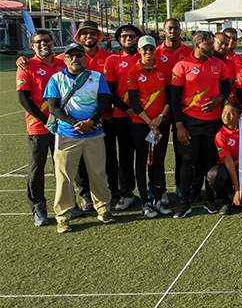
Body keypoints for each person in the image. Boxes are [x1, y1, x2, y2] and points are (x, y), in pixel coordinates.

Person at [44, 42, 114, 233]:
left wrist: (90, 121)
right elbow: (54, 108)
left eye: (78, 56)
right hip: (67, 135)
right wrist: (76, 122)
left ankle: (103, 208)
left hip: (94, 133)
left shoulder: (97, 77)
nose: (75, 59)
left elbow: (103, 103)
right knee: (64, 177)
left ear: (85, 58)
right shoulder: (56, 78)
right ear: (65, 59)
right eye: (71, 56)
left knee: (98, 173)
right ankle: (63, 216)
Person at [171, 30, 232, 218]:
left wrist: (219, 98)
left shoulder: (218, 64)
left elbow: (228, 86)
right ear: (198, 45)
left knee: (209, 162)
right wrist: (179, 125)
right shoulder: (182, 66)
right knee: (188, 162)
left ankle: (209, 199)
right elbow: (173, 97)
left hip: (213, 122)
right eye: (209, 43)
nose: (213, 47)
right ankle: (185, 202)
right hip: (189, 122)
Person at [17, 29, 65, 226]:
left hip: (62, 125)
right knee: (37, 168)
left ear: (53, 43)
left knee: (62, 167)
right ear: (32, 46)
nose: (43, 44)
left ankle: (65, 204)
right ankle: (38, 206)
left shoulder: (62, 63)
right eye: (39, 42)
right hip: (38, 126)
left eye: (47, 40)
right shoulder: (26, 66)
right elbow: (23, 98)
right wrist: (46, 120)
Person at [126, 35, 173, 218]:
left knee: (159, 160)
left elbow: (170, 97)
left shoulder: (165, 69)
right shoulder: (133, 71)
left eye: (151, 49)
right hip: (141, 124)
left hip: (161, 122)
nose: (148, 52)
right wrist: (149, 122)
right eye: (144, 49)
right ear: (139, 51)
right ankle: (145, 202)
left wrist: (160, 119)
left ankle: (159, 200)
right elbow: (134, 102)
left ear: (156, 50)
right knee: (142, 161)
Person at [104, 24, 144, 212]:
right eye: (124, 36)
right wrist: (128, 109)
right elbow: (110, 91)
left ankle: (149, 191)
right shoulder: (113, 60)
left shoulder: (146, 56)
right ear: (119, 39)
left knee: (146, 155)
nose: (128, 38)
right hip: (123, 115)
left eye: (132, 35)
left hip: (145, 116)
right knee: (126, 157)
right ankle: (126, 194)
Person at [155, 18, 192, 202]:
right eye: (170, 28)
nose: (173, 31)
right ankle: (157, 186)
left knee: (181, 149)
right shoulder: (155, 53)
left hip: (181, 107)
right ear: (164, 31)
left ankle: (180, 183)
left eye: (176, 28)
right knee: (158, 151)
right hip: (159, 109)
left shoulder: (189, 52)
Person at [206, 102, 242, 216]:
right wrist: (238, 189)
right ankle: (223, 200)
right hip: (229, 169)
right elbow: (229, 163)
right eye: (224, 112)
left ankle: (237, 194)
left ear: (239, 116)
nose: (226, 116)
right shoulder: (220, 135)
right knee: (214, 174)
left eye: (231, 114)